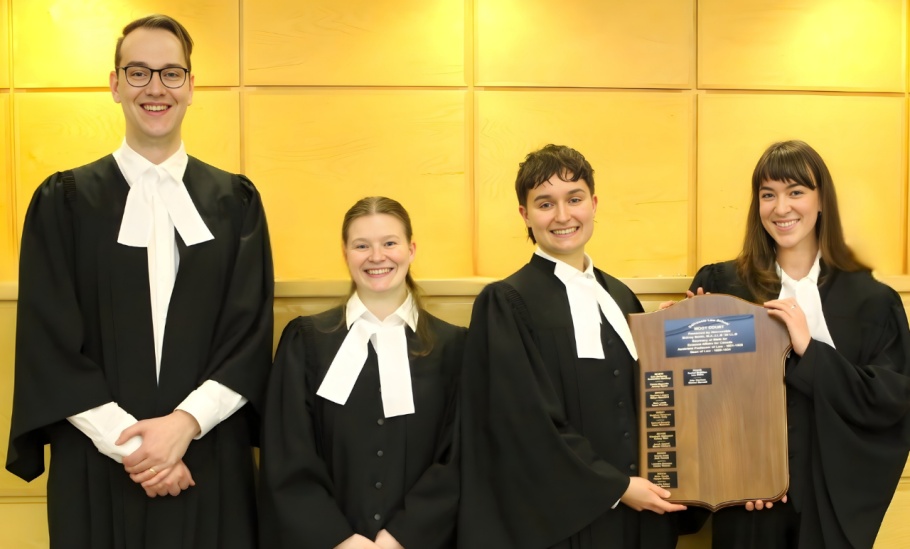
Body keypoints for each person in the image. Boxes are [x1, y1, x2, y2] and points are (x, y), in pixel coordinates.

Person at [5, 14, 274, 549]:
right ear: (114, 85)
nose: (156, 88)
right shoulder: (63, 202)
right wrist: (135, 449)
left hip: (206, 453)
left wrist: (183, 427)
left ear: (192, 88)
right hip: (96, 458)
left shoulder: (236, 203)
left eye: (172, 73)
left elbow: (248, 333)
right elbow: (48, 341)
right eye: (138, 72)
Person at [458, 144, 685, 549]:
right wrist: (614, 486)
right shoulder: (507, 302)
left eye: (574, 199)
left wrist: (678, 333)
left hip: (641, 515)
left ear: (594, 204)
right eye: (545, 204)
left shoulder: (620, 296)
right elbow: (523, 423)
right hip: (565, 522)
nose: (563, 216)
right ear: (525, 215)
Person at [688, 140, 910, 548]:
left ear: (821, 199)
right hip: (747, 502)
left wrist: (811, 349)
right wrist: (678, 332)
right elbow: (696, 398)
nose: (781, 207)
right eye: (768, 195)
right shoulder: (722, 285)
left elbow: (888, 401)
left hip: (828, 500)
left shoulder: (871, 301)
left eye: (796, 192)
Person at [259, 196, 465, 549]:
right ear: (345, 253)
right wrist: (339, 540)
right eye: (361, 246)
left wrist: (402, 537)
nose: (377, 256)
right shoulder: (305, 343)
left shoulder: (455, 348)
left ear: (411, 249)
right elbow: (287, 453)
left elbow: (461, 456)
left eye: (389, 243)